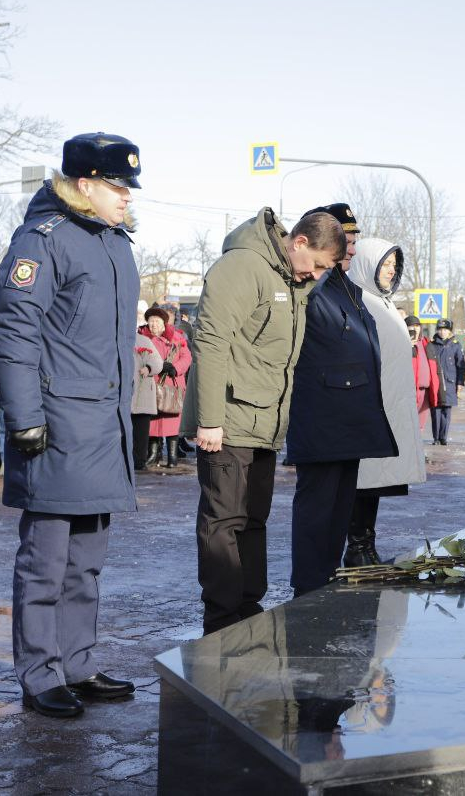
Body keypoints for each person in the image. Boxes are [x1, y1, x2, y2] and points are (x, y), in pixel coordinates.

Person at [0, 132, 144, 718]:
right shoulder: (43, 240)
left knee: (86, 562)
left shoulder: (114, 244)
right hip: (55, 425)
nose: (127, 194)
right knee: (45, 561)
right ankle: (39, 673)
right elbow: (14, 332)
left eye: (129, 184)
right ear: (84, 185)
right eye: (117, 184)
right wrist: (24, 417)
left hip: (102, 425)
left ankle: (77, 663)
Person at [182, 207, 346, 634]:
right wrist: (210, 420)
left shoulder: (289, 279)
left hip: (264, 424)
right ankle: (220, 620)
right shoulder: (243, 266)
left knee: (253, 520)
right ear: (300, 243)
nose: (316, 276)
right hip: (228, 422)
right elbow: (211, 341)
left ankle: (246, 609)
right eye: (318, 265)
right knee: (224, 521)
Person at [284, 217, 395, 594]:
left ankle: (325, 579)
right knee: (318, 509)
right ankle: (310, 587)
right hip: (322, 415)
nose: (351, 248)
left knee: (338, 508)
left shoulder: (345, 287)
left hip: (348, 416)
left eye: (352, 241)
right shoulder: (315, 285)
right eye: (346, 241)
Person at [345, 239, 427, 567]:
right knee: (363, 482)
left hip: (388, 406)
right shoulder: (358, 301)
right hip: (368, 407)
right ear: (367, 263)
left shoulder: (384, 302)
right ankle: (356, 548)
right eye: (385, 263)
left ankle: (366, 546)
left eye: (394, 264)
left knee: (376, 482)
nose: (391, 270)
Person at [139, 306, 190, 467]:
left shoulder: (176, 337)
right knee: (153, 421)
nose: (153, 325)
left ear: (163, 323)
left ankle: (172, 457)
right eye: (151, 321)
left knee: (172, 420)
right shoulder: (142, 337)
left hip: (172, 385)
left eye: (157, 321)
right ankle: (154, 454)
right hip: (151, 385)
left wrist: (176, 368)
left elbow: (186, 357)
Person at [424, 320, 464, 445]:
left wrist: (460, 383)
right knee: (435, 410)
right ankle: (436, 437)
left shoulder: (455, 345)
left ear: (450, 331)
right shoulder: (431, 345)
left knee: (446, 410)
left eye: (445, 329)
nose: (443, 332)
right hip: (436, 383)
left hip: (450, 383)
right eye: (440, 329)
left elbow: (461, 365)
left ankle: (443, 437)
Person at [131, 331, 163, 470]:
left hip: (142, 392)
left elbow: (158, 362)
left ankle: (139, 461)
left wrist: (148, 368)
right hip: (124, 394)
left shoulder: (144, 340)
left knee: (141, 430)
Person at [407, 316, 436, 432]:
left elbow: (434, 366)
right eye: (412, 326)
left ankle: (417, 448)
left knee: (420, 426)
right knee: (409, 422)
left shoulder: (426, 343)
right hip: (410, 390)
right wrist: (407, 345)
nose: (415, 329)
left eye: (417, 326)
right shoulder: (402, 342)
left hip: (425, 391)